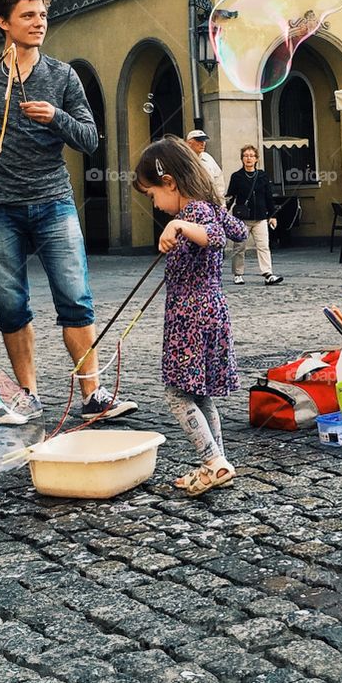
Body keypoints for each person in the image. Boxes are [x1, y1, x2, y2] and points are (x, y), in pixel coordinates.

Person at [0, 0, 136, 425]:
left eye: (42, 15)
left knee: (76, 300)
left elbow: (88, 139)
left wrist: (56, 117)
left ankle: (93, 394)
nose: (39, 22)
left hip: (53, 202)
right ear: (3, 23)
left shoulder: (62, 76)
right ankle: (27, 396)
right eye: (28, 16)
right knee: (10, 305)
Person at [133, 136, 246, 497]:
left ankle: (212, 461)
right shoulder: (210, 207)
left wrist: (178, 227)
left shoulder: (194, 213)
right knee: (200, 394)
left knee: (176, 393)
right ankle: (219, 463)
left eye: (152, 195)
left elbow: (216, 237)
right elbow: (239, 230)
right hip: (210, 310)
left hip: (191, 315)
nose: (156, 205)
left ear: (170, 183)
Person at [225, 145, 284, 286]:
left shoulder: (262, 175)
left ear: (257, 159)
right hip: (242, 219)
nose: (249, 158)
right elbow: (231, 197)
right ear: (242, 159)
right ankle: (238, 274)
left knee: (263, 246)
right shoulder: (237, 176)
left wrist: (272, 215)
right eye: (246, 156)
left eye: (252, 155)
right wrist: (224, 214)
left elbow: (269, 197)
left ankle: (268, 274)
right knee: (239, 247)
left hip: (260, 218)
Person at [185, 129, 226, 200]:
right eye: (199, 140)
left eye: (204, 141)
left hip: (211, 201)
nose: (203, 143)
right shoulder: (183, 159)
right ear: (189, 143)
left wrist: (219, 199)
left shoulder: (208, 158)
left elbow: (219, 179)